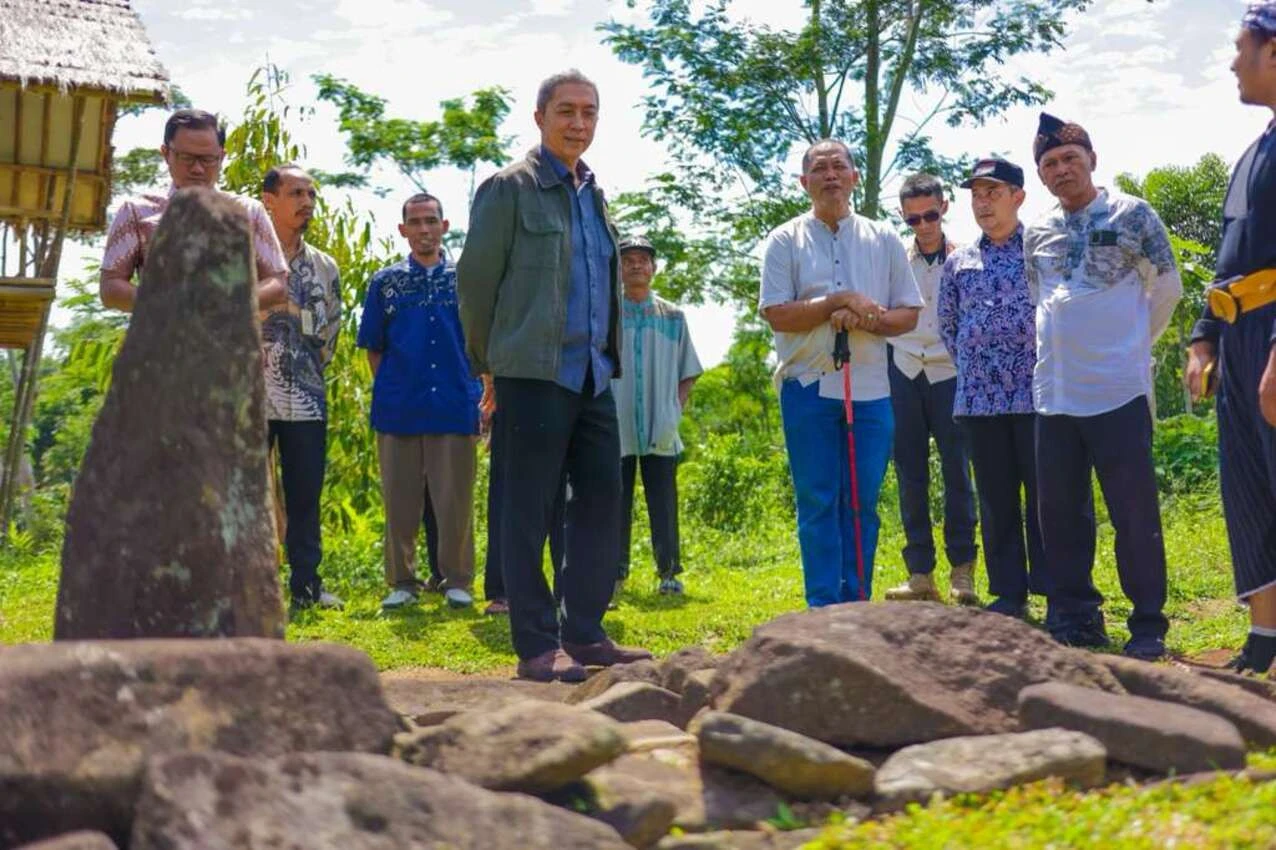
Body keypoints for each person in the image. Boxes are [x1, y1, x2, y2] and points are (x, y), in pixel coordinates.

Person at [458, 69, 652, 681]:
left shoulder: (593, 193)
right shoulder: (507, 188)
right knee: (527, 509)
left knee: (601, 501)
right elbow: (476, 285)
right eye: (566, 111)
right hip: (531, 373)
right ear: (539, 117)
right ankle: (537, 646)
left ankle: (586, 632)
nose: (578, 123)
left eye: (589, 113)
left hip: (593, 374)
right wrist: (488, 368)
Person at [1025, 113, 1183, 661]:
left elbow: (1167, 288)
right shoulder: (1036, 231)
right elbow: (1038, 299)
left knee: (1133, 514)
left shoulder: (1134, 214)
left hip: (1117, 390)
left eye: (1071, 157)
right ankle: (1075, 619)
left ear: (1092, 159)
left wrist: (1131, 344)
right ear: (1041, 176)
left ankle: (1147, 624)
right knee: (1061, 516)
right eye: (1050, 163)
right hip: (1054, 394)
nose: (1062, 168)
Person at [760, 139, 923, 607]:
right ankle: (822, 605)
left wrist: (865, 316)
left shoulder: (884, 238)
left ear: (855, 177)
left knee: (862, 502)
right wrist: (836, 302)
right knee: (817, 501)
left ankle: (857, 600)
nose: (830, 175)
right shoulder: (784, 239)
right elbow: (776, 314)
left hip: (871, 387)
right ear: (803, 182)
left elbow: (907, 314)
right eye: (819, 168)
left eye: (839, 167)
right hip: (807, 384)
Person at [1185, 2, 1276, 675]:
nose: (1232, 62)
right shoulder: (1253, 153)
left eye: (1241, 48)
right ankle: (1264, 641)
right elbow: (1229, 256)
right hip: (1240, 333)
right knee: (1247, 487)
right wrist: (1203, 339)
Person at [357, 193, 479, 612]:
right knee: (400, 499)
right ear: (403, 229)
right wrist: (395, 385)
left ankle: (457, 579)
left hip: (454, 403)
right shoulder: (384, 283)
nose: (424, 229)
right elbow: (373, 346)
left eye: (432, 221)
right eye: (416, 222)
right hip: (399, 406)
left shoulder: (467, 278)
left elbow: (480, 343)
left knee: (456, 500)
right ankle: (402, 581)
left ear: (445, 227)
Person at [937, 156, 1046, 618]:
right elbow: (947, 324)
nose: (982, 203)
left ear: (1018, 197)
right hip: (980, 401)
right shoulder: (959, 260)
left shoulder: (1043, 249)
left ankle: (1055, 590)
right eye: (976, 195)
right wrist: (982, 363)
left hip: (1039, 395)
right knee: (997, 500)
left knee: (1046, 498)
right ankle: (1009, 594)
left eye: (993, 193)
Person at [883, 174, 979, 606]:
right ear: (903, 217)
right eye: (913, 218)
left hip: (949, 371)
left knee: (958, 471)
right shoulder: (892, 261)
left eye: (931, 214)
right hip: (902, 368)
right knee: (910, 472)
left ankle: (963, 571)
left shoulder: (966, 258)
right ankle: (919, 572)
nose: (923, 225)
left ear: (944, 207)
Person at [100, 108, 288, 314]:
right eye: (186, 158)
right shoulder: (136, 211)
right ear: (166, 154)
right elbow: (110, 287)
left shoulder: (249, 212)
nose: (197, 169)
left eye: (207, 159)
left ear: (222, 157)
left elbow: (278, 284)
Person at [259, 163, 344, 613]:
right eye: (296, 193)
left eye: (311, 194)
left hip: (306, 400)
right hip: (248, 399)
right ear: (268, 200)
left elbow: (328, 335)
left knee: (305, 497)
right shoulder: (244, 259)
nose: (307, 202)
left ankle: (307, 588)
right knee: (248, 498)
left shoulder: (324, 267)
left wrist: (286, 309)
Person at [611, 236, 703, 596]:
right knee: (613, 500)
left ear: (653, 268)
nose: (636, 265)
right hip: (615, 423)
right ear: (618, 268)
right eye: (628, 260)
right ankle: (614, 574)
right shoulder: (607, 314)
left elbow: (689, 370)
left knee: (663, 499)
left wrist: (674, 408)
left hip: (660, 423)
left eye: (642, 260)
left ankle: (668, 572)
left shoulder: (673, 317)